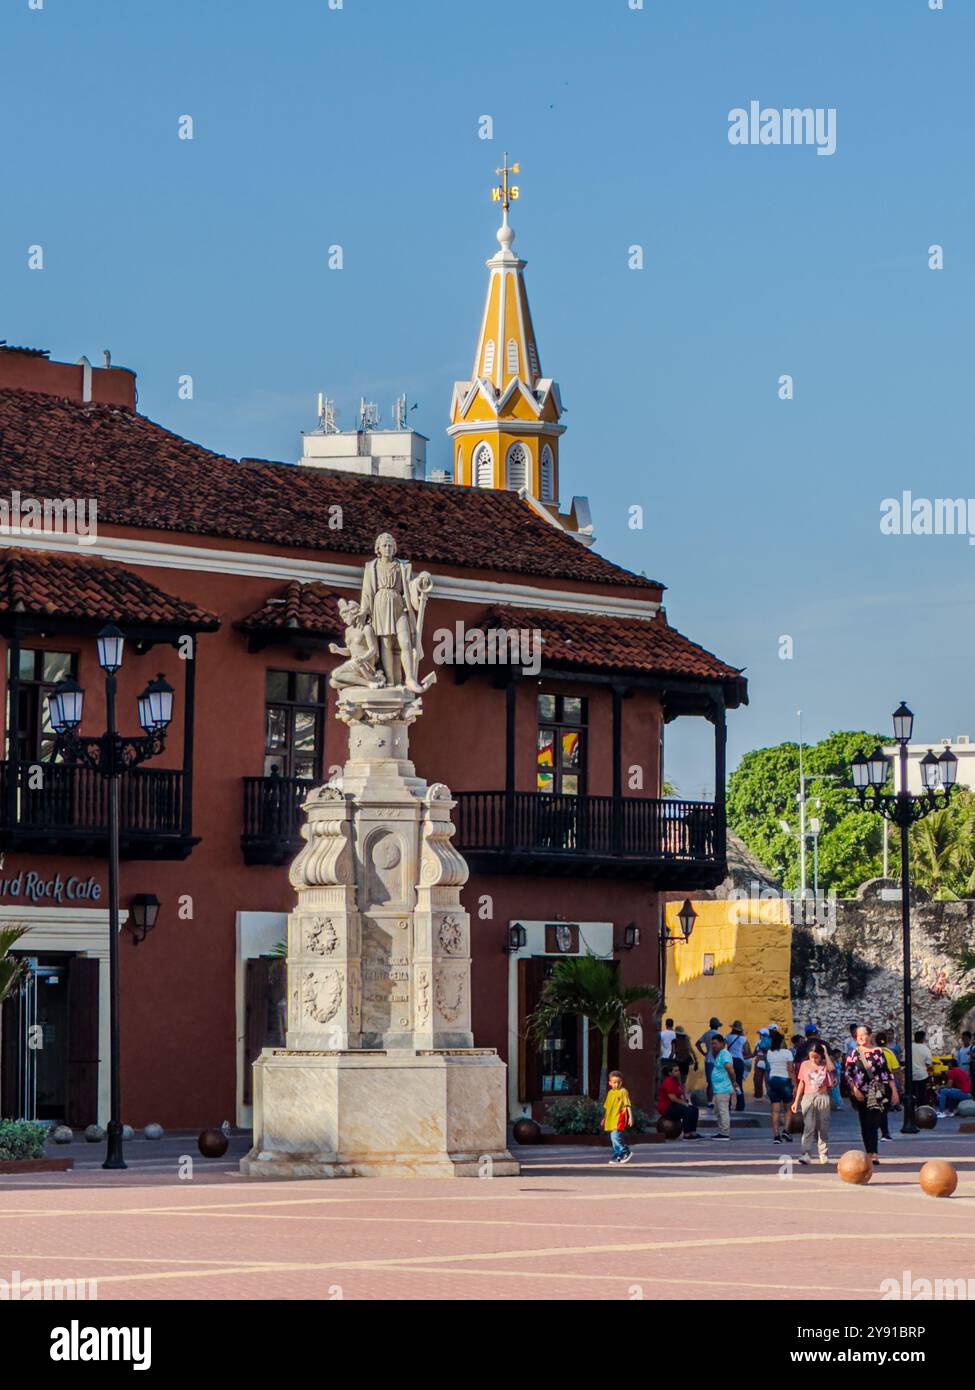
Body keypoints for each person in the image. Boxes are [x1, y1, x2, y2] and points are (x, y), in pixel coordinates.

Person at [844, 1024, 899, 1165]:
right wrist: (855, 1089)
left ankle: (874, 1152)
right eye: (858, 1035)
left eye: (863, 1034)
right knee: (865, 1122)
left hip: (877, 1089)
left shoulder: (878, 1052)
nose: (861, 1037)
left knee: (874, 1120)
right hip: (861, 1090)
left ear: (869, 1036)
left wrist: (894, 1091)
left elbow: (886, 1072)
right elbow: (848, 1074)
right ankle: (869, 1151)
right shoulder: (852, 1054)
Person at [791, 1041, 836, 1165]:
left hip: (822, 1096)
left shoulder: (825, 1064)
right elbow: (801, 1083)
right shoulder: (805, 1065)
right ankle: (806, 1153)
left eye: (816, 1057)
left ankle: (823, 1153)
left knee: (823, 1127)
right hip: (808, 1097)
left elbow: (832, 1069)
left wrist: (826, 1053)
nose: (814, 1059)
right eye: (811, 1057)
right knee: (809, 1126)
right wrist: (796, 1101)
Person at [765, 1029, 796, 1144]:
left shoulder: (769, 1053)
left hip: (773, 1079)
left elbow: (768, 1068)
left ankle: (776, 1136)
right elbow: (790, 1069)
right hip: (785, 1080)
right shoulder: (787, 1053)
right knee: (788, 1108)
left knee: (775, 1110)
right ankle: (786, 1130)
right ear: (782, 1041)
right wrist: (795, 1084)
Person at [657, 1063, 701, 1138]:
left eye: (678, 1070)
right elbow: (672, 1098)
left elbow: (680, 1094)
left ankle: (693, 1132)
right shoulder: (668, 1081)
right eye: (676, 1071)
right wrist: (684, 1104)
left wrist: (684, 1100)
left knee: (694, 1109)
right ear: (670, 1073)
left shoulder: (675, 1081)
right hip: (667, 1107)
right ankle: (686, 1133)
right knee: (687, 1110)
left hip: (674, 1105)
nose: (678, 1072)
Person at [708, 1034, 736, 1140]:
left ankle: (725, 1133)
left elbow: (729, 1068)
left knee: (723, 1110)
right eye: (712, 1044)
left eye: (715, 1043)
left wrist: (734, 1081)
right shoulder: (720, 1054)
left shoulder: (724, 1053)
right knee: (717, 1111)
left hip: (723, 1087)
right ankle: (721, 1130)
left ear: (722, 1043)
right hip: (718, 1088)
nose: (713, 1046)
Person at [603, 1070, 633, 1165]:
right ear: (610, 1083)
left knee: (616, 1137)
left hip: (619, 1118)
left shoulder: (623, 1091)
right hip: (610, 1119)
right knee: (613, 1138)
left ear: (621, 1082)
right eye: (614, 1082)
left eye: (618, 1082)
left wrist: (630, 1117)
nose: (616, 1084)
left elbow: (627, 1105)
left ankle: (625, 1151)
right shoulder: (610, 1093)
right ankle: (618, 1155)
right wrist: (604, 1118)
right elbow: (607, 1107)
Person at [874, 1032, 901, 1141]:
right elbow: (896, 1070)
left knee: (876, 1109)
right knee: (883, 1110)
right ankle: (885, 1133)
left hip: (875, 1084)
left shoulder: (873, 1053)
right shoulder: (890, 1053)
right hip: (887, 1084)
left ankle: (875, 1131)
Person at [725, 1020, 752, 1112]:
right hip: (739, 1062)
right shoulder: (743, 1039)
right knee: (738, 1084)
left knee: (728, 1084)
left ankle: (727, 1105)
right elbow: (747, 1052)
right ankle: (740, 1105)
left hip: (729, 1061)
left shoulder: (727, 1037)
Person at [696, 1017, 722, 1103]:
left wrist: (704, 1053)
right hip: (716, 1061)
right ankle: (713, 1101)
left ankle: (709, 1101)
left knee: (710, 1082)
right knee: (715, 1082)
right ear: (717, 1026)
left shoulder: (706, 1034)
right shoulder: (718, 1036)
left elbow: (697, 1044)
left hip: (708, 1060)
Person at [911, 1029, 934, 1111]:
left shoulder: (909, 1047)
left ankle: (911, 1110)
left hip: (911, 1075)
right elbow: (928, 1064)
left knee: (911, 1094)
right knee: (922, 1094)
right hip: (922, 1075)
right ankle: (921, 1112)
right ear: (923, 1039)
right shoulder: (926, 1049)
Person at [753, 1027, 771, 1099]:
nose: (759, 1035)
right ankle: (758, 1094)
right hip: (761, 1059)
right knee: (758, 1078)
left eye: (760, 1034)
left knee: (766, 1078)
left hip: (764, 1059)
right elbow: (754, 1053)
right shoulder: (759, 1042)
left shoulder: (767, 1042)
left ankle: (768, 1093)